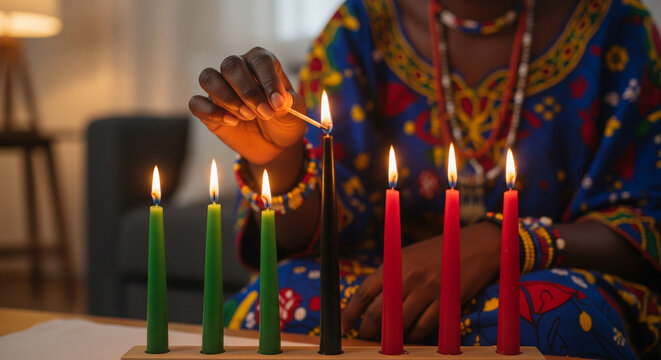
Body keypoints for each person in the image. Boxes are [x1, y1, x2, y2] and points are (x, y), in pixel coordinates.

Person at [189, 0, 661, 358]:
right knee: (275, 302)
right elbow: (321, 238)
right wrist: (280, 159)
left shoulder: (618, 27)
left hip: (546, 287)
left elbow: (647, 223)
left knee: (558, 318)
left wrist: (507, 244)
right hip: (387, 294)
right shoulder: (359, 27)